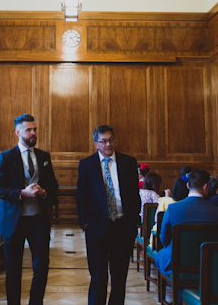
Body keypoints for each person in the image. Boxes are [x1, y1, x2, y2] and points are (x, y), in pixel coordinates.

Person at [0, 114, 58, 305]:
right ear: (17, 132)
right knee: (13, 271)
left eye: (35, 129)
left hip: (38, 220)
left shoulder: (44, 157)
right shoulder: (6, 157)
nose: (33, 133)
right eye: (28, 129)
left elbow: (53, 187)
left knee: (41, 268)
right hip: (14, 220)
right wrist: (21, 193)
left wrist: (43, 191)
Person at [76, 125, 140, 305]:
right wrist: (85, 223)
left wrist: (134, 223)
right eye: (103, 141)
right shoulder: (87, 164)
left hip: (122, 227)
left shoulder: (128, 162)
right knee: (98, 277)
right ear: (96, 144)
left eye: (111, 139)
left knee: (119, 278)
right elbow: (81, 196)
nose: (108, 144)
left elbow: (134, 196)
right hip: (96, 229)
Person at [155, 169, 218, 279]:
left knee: (159, 256)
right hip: (207, 263)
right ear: (206, 187)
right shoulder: (217, 212)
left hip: (176, 261)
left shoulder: (172, 208)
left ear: (187, 185)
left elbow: (164, 238)